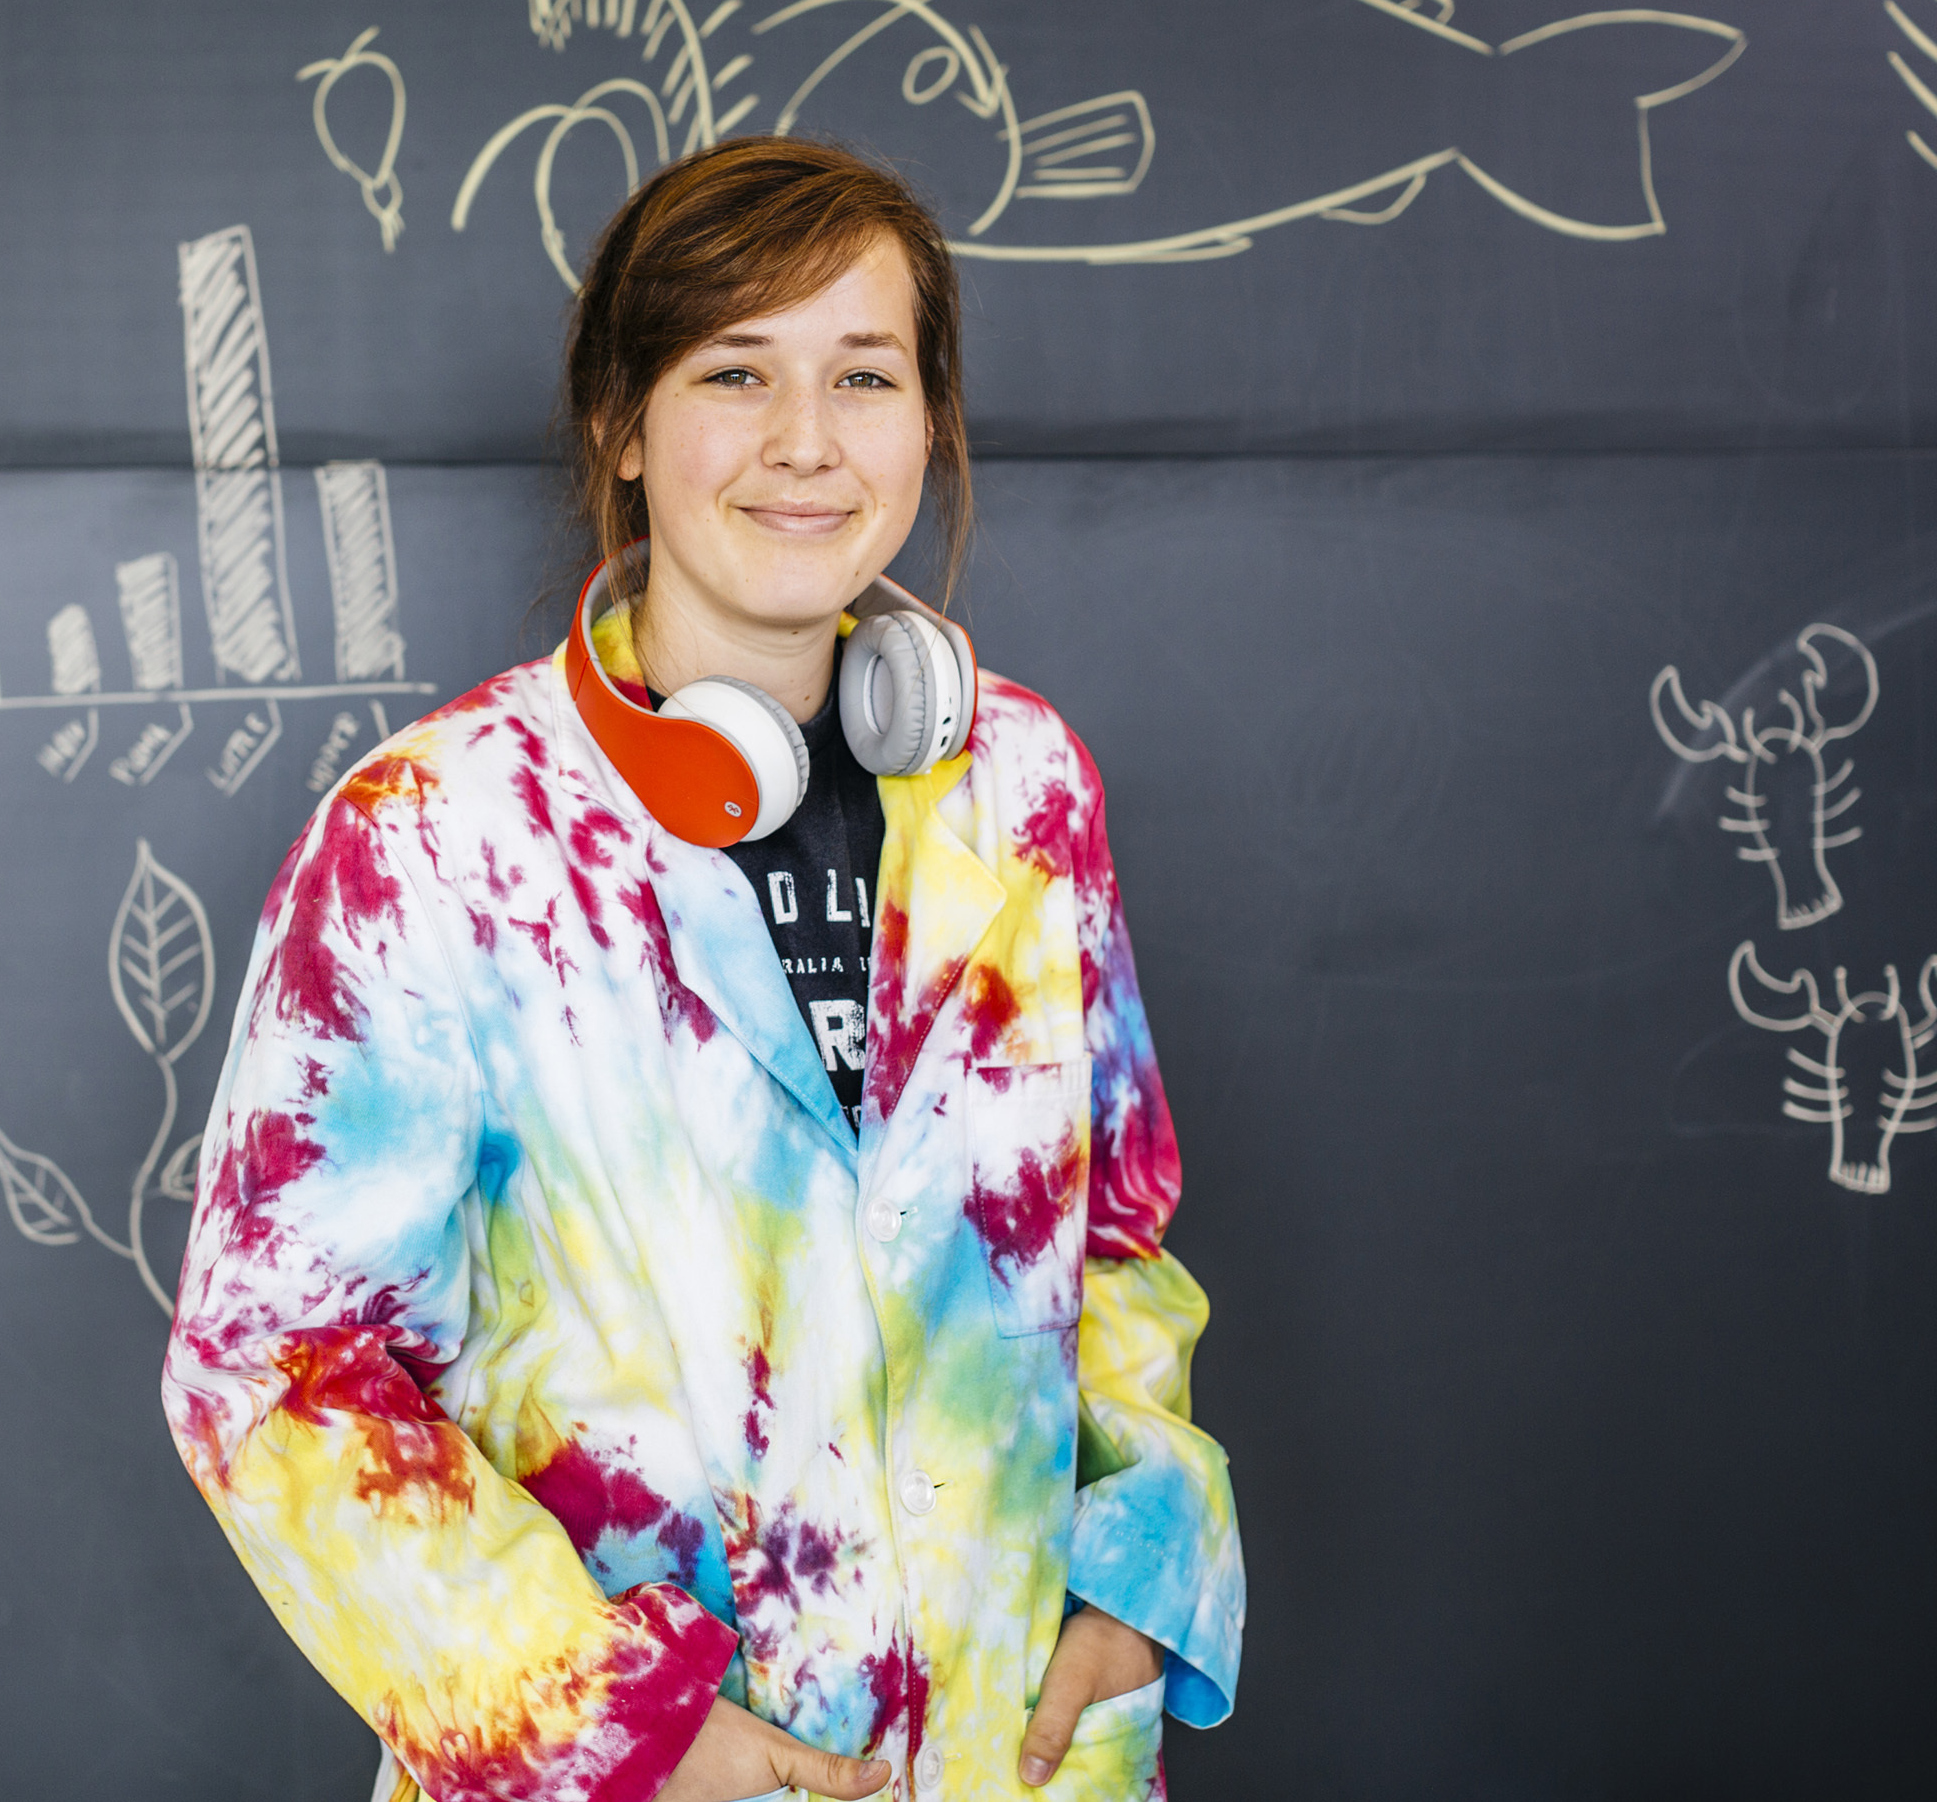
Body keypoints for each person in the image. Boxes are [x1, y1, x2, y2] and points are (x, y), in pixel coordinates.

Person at [162, 137, 1242, 1802]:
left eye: (864, 375)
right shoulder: (435, 839)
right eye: (736, 372)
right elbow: (275, 1370)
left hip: (1008, 1762)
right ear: (622, 425)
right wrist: (597, 1723)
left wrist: (1137, 1570)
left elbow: (1112, 1237)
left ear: (928, 420)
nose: (806, 443)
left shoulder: (1026, 788)